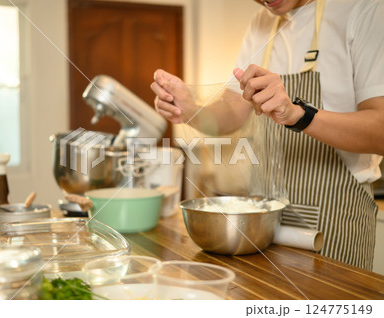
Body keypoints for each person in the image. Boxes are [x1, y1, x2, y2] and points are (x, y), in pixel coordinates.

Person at [151, 0, 384, 270]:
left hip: (337, 212)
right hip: (262, 215)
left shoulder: (363, 9)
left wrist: (298, 114)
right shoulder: (261, 23)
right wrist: (190, 110)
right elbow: (232, 112)